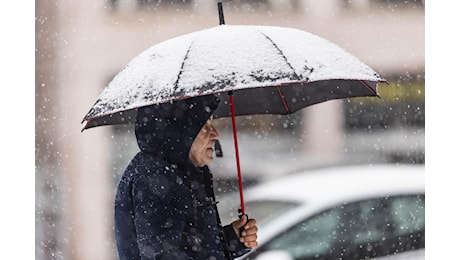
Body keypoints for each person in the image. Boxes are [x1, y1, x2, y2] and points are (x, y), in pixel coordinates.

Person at [114, 94, 258, 260]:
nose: (215, 134)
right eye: (204, 126)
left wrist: (233, 240)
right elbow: (165, 255)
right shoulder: (156, 177)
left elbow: (191, 246)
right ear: (181, 133)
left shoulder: (182, 173)